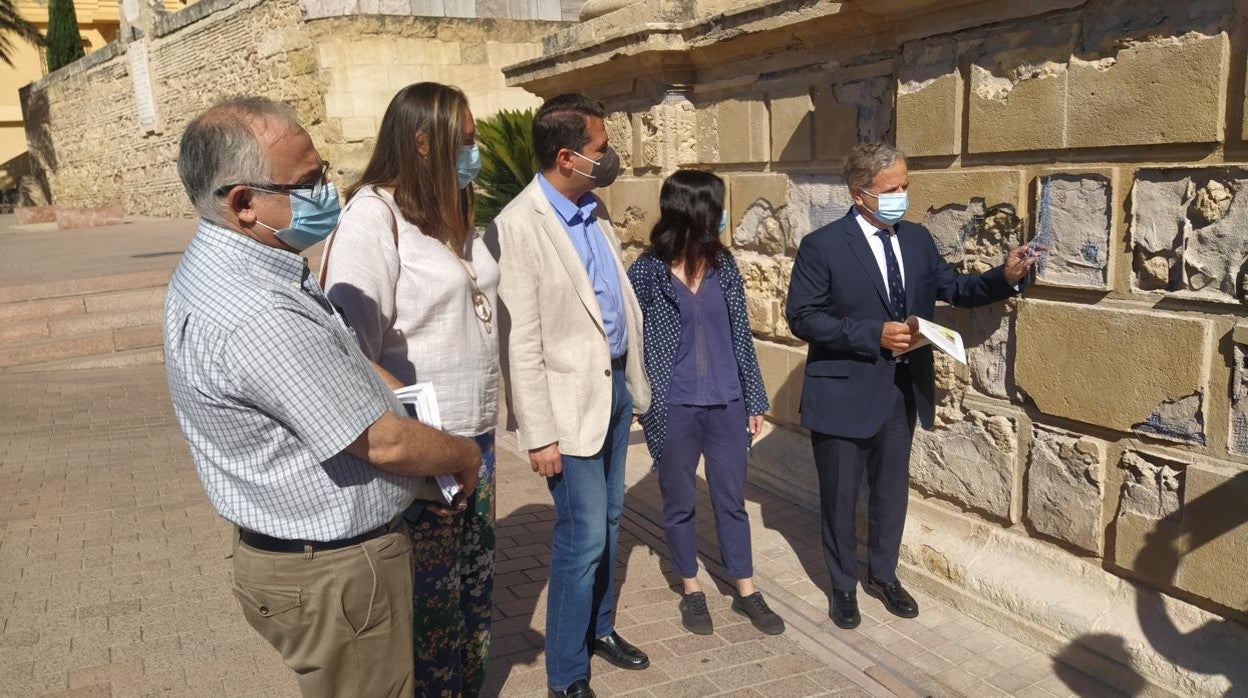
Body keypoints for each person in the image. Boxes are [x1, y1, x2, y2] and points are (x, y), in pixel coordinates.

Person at [163, 96, 482, 697]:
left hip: (306, 559)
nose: (329, 189)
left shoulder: (243, 265)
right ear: (242, 203)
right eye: (308, 181)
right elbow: (381, 442)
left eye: (324, 170)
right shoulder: (256, 311)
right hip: (336, 572)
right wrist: (462, 455)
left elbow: (338, 368)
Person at [784, 142, 1037, 631]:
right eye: (892, 190)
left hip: (900, 388)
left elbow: (954, 289)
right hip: (842, 390)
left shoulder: (917, 239)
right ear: (860, 195)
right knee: (838, 497)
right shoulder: (824, 246)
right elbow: (802, 317)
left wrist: (1004, 277)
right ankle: (842, 586)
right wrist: (871, 333)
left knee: (891, 492)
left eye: (906, 186)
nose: (902, 195)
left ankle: (883, 574)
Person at [319, 82, 498, 697]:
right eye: (465, 142)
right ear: (423, 142)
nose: (472, 153)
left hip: (473, 444)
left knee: (471, 599)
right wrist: (422, 437)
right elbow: (348, 348)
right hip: (424, 458)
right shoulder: (372, 219)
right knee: (427, 614)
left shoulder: (446, 207)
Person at [485, 93, 651, 698]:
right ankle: (566, 674)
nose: (609, 159)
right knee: (580, 538)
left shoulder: (594, 208)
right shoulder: (517, 225)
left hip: (612, 392)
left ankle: (600, 629)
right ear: (566, 156)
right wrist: (539, 434)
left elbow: (612, 298)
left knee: (610, 523)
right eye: (600, 149)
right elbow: (520, 341)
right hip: (565, 409)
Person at [626, 170, 784, 637]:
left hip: (726, 403)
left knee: (730, 499)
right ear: (698, 211)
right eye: (718, 206)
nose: (723, 214)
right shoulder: (648, 270)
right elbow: (630, 340)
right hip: (672, 405)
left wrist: (755, 398)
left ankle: (745, 588)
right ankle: (692, 588)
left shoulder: (725, 265)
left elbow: (741, 337)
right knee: (678, 502)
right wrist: (637, 396)